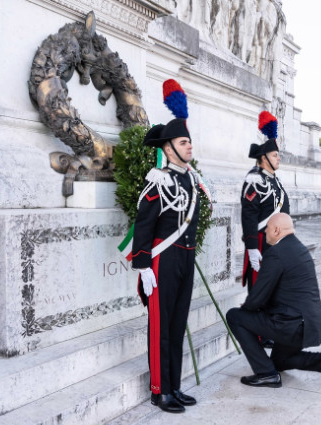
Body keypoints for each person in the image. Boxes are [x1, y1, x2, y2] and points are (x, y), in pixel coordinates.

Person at [130, 79, 205, 413]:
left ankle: (174, 385)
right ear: (169, 148)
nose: (190, 147)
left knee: (177, 324)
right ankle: (160, 390)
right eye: (183, 142)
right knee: (160, 326)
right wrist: (143, 266)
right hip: (161, 260)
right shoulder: (157, 180)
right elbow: (143, 225)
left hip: (185, 259)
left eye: (189, 141)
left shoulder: (190, 179)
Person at [226, 213, 321, 388]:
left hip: (291, 325)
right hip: (309, 323)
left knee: (235, 317)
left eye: (266, 230)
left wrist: (247, 309)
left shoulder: (276, 253)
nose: (265, 234)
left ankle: (266, 374)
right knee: (280, 361)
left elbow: (258, 296)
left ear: (276, 230)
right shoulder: (299, 248)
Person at [241, 110, 290, 290]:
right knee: (261, 294)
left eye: (278, 154)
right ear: (264, 158)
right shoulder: (255, 180)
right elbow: (249, 215)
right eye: (275, 155)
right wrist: (252, 247)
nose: (279, 158)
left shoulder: (274, 181)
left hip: (277, 245)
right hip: (262, 245)